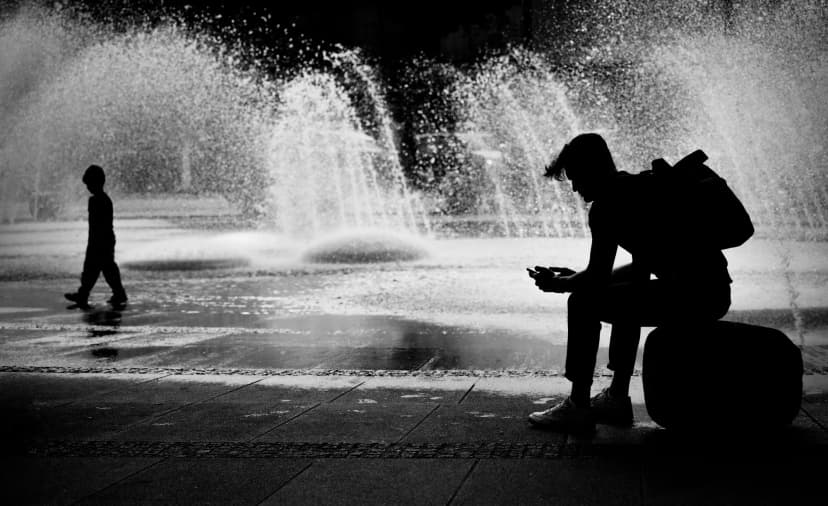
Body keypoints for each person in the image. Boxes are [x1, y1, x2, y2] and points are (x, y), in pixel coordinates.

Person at [527, 133, 731, 433]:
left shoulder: (606, 206)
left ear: (592, 169)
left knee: (581, 303)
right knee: (627, 296)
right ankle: (616, 398)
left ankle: (578, 405)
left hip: (691, 296)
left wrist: (559, 285)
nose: (574, 187)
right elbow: (638, 270)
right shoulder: (641, 186)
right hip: (713, 292)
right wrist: (575, 277)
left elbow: (595, 278)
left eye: (576, 177)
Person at [64, 165, 128, 308]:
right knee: (103, 268)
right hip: (105, 239)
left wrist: (93, 243)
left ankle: (85, 294)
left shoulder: (97, 201)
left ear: (95, 183)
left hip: (100, 240)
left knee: (96, 268)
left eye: (89, 184)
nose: (88, 188)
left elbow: (97, 225)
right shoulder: (104, 199)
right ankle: (115, 293)